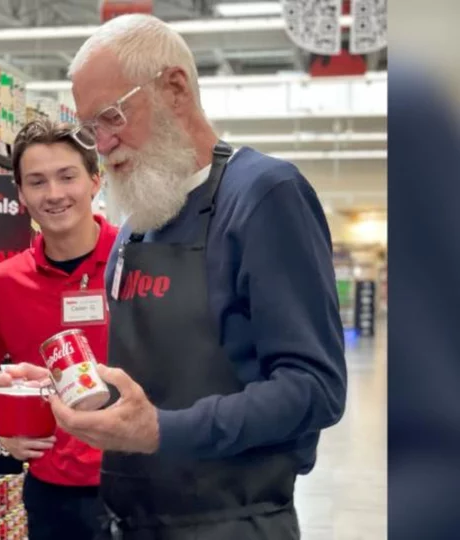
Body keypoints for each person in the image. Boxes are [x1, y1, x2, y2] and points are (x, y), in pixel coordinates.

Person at [41, 14, 347, 539]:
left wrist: (164, 430)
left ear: (175, 89)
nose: (105, 144)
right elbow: (150, 382)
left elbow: (315, 388)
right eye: (92, 129)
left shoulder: (263, 197)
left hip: (229, 522)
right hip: (128, 521)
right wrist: (70, 384)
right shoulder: (140, 224)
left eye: (112, 117)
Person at [0, 118, 118, 539]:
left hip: (146, 484)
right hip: (55, 494)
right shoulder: (6, 281)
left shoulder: (137, 258)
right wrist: (3, 431)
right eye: (37, 181)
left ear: (95, 181)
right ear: (22, 195)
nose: (54, 194)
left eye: (68, 176)